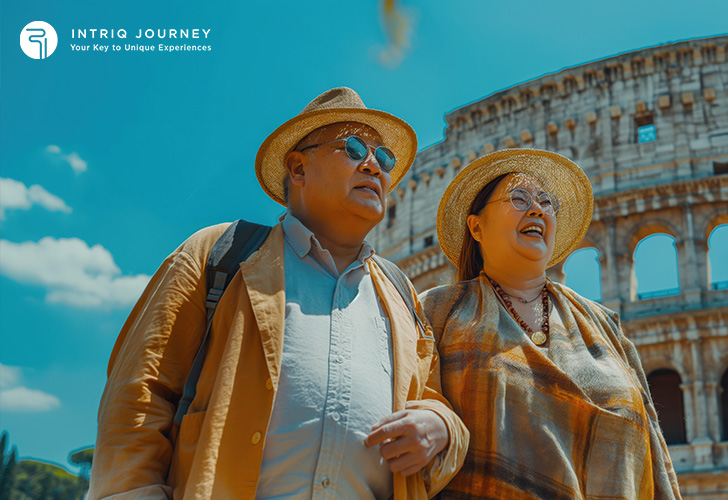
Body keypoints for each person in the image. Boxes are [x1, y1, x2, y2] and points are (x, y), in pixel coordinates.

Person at [89, 87, 468, 500]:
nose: (374, 165)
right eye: (355, 148)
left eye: (385, 158)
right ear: (298, 168)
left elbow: (432, 397)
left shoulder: (401, 294)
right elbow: (141, 395)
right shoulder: (219, 254)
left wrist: (440, 425)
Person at [420, 149, 682, 499]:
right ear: (476, 226)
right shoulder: (438, 311)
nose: (537, 208)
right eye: (519, 198)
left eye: (546, 201)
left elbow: (653, 455)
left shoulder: (604, 324)